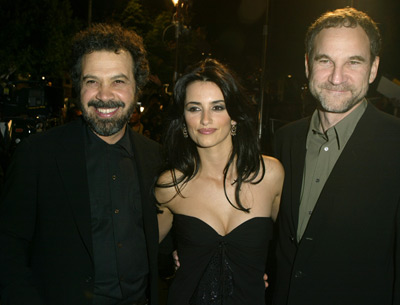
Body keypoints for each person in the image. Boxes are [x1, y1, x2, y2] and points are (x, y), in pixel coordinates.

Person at [0, 24, 161, 305]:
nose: (104, 94)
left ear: (137, 87)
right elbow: (8, 248)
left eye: (118, 81)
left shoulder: (157, 158)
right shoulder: (37, 155)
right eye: (92, 81)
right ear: (78, 87)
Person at [273, 7, 400, 305]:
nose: (337, 77)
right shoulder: (284, 140)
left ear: (373, 69)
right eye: (325, 60)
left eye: (353, 62)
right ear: (307, 65)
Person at [155, 58, 284, 305]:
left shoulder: (270, 174)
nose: (205, 119)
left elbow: (291, 247)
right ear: (183, 120)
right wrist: (172, 260)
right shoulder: (170, 185)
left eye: (217, 107)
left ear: (234, 117)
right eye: (194, 108)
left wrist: (268, 271)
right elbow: (136, 249)